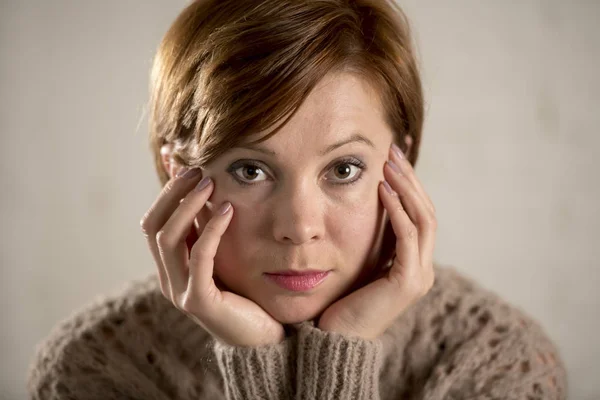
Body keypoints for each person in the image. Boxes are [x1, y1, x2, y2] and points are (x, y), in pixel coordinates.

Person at [27, 0, 568, 399]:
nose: (299, 226)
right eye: (250, 169)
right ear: (178, 174)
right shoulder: (94, 367)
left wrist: (342, 349)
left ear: (400, 164)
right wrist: (254, 358)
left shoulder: (499, 362)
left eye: (343, 169)